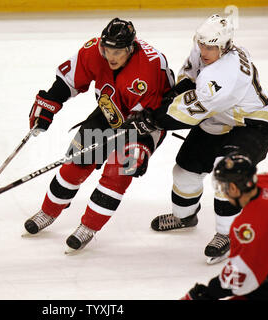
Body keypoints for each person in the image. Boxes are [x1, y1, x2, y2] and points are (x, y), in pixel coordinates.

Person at [125, 14, 268, 263]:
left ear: (225, 46)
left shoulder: (225, 73)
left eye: (210, 47)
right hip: (220, 118)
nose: (204, 50)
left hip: (253, 124)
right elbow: (189, 78)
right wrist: (170, 97)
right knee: (185, 169)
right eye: (202, 44)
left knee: (226, 170)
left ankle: (229, 234)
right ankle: (185, 216)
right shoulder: (205, 50)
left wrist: (153, 119)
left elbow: (188, 113)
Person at [24, 18, 174, 252]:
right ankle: (48, 212)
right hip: (109, 110)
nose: (111, 56)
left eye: (118, 51)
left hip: (147, 123)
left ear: (131, 48)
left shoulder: (150, 66)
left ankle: (89, 227)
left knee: (120, 168)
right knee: (76, 162)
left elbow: (157, 112)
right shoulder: (94, 50)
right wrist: (50, 102)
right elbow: (68, 81)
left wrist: (140, 143)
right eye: (107, 49)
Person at [182, 153, 268, 300]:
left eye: (223, 187)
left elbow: (242, 275)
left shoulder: (249, 224)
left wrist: (209, 293)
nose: (222, 191)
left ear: (234, 188)